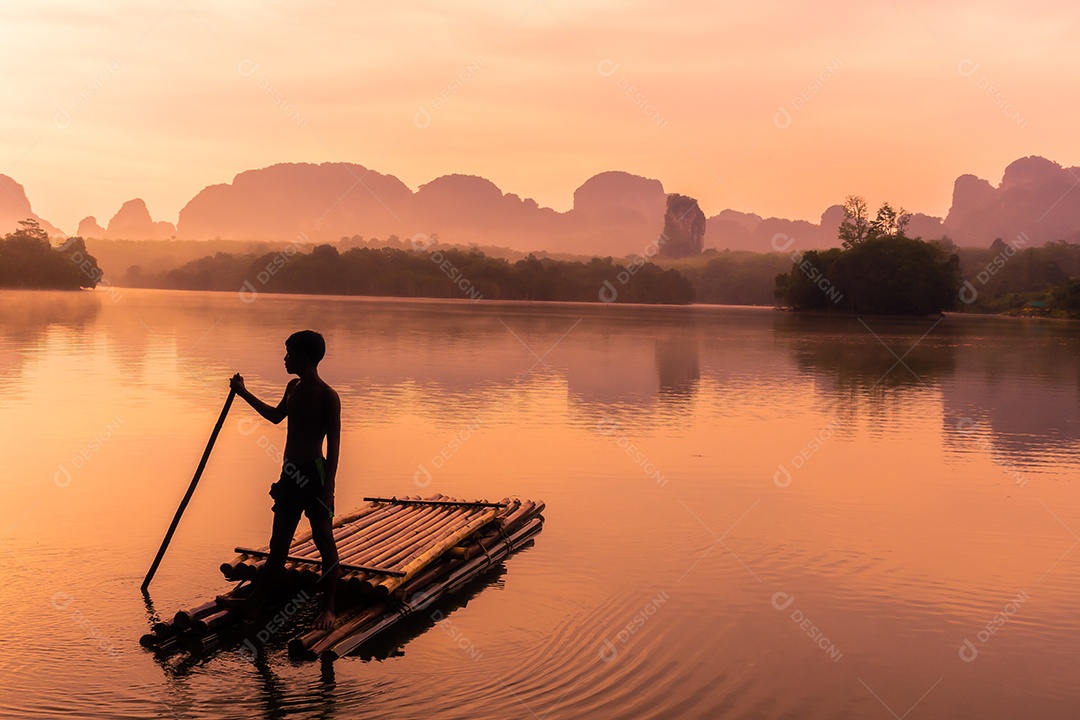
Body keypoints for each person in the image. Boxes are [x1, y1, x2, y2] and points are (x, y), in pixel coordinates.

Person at [220, 330, 341, 630]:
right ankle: (255, 604)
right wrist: (243, 393)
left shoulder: (328, 396)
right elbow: (275, 417)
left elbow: (335, 447)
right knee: (278, 545)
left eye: (289, 353)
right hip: (290, 475)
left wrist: (328, 488)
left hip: (315, 474)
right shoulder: (293, 387)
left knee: (324, 541)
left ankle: (328, 608)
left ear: (304, 357)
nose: (285, 358)